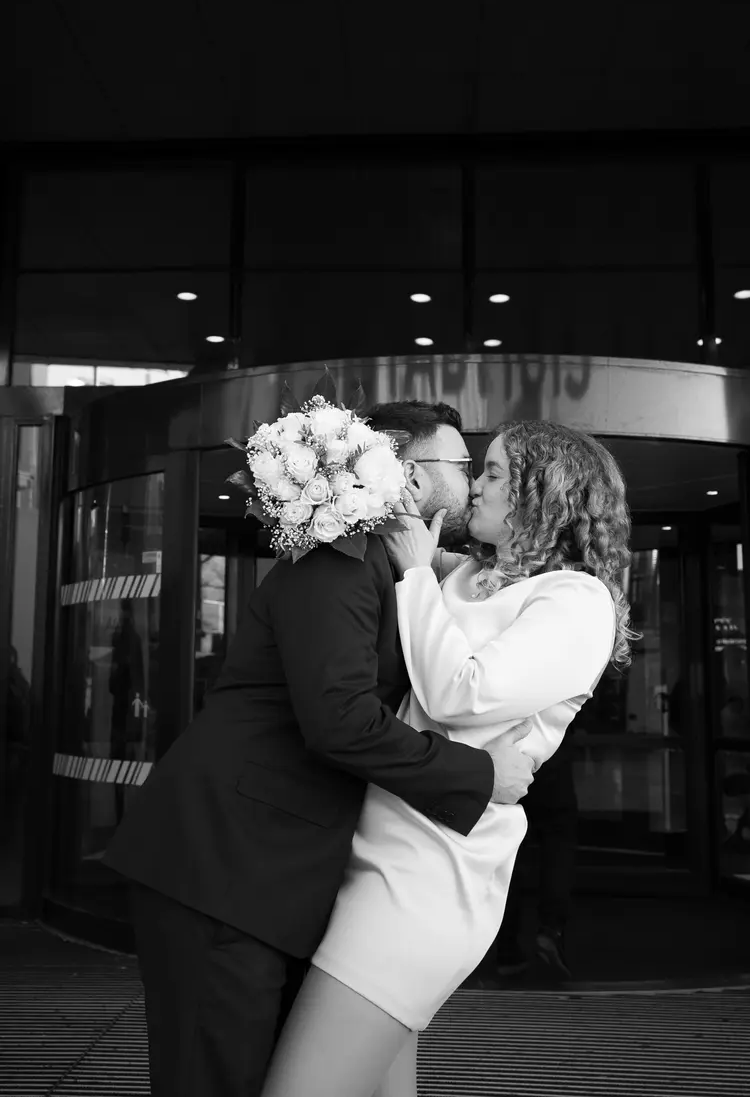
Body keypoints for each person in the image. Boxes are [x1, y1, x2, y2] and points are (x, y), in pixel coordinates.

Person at [102, 399, 536, 1097]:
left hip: (265, 875)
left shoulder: (391, 570)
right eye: (464, 464)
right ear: (413, 479)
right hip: (226, 866)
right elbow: (339, 720)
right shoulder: (339, 561)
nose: (475, 481)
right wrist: (482, 775)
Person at [260, 420, 637, 1097]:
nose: (477, 488)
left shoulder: (577, 601)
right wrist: (340, 471)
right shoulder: (470, 573)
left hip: (428, 877)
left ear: (542, 493)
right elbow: (394, 532)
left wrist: (413, 570)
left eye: (492, 472)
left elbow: (460, 691)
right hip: (376, 850)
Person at [494, 732, 578, 980]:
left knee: (509, 848)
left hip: (507, 755)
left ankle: (507, 949)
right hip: (551, 755)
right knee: (559, 842)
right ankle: (551, 930)